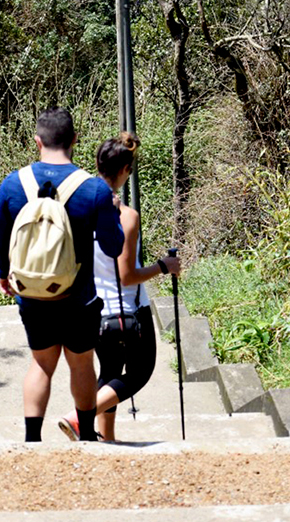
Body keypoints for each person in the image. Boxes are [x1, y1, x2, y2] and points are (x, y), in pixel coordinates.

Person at [0, 107, 124, 442]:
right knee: (81, 365)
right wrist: (113, 211)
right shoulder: (94, 190)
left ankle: (32, 439)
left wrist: (4, 275)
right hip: (78, 297)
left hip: (33, 295)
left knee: (41, 365)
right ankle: (88, 436)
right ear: (74, 140)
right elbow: (113, 247)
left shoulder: (13, 184)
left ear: (37, 141)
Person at [58, 133, 181, 442]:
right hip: (127, 314)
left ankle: (106, 440)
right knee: (139, 374)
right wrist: (164, 267)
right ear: (125, 170)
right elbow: (127, 276)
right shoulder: (126, 217)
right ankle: (79, 418)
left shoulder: (81, 214)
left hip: (95, 312)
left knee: (110, 376)